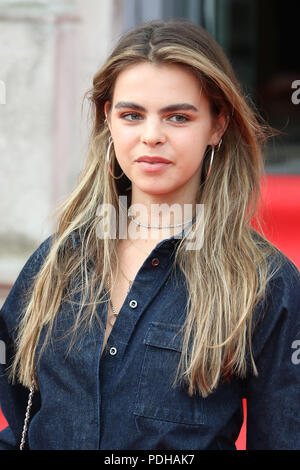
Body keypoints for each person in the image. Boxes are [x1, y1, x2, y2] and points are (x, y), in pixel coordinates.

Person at [0, 19, 300, 451]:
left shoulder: (264, 282)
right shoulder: (57, 261)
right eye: (132, 115)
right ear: (109, 120)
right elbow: (22, 419)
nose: (151, 136)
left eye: (178, 116)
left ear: (217, 125)